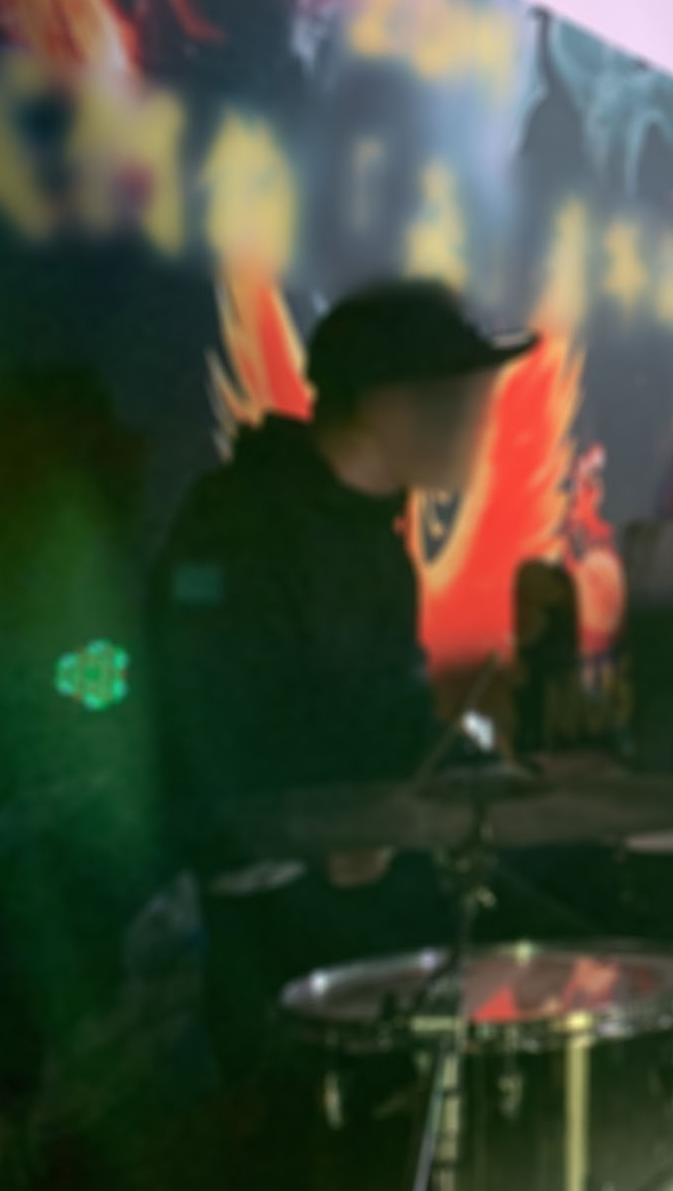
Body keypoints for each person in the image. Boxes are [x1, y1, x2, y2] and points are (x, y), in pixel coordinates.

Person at [147, 279, 533, 1077]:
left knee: (568, 924)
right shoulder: (236, 526)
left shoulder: (376, 544)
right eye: (457, 404)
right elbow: (201, 735)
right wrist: (334, 836)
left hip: (366, 876)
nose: (478, 428)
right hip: (271, 913)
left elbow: (388, 722)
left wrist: (496, 782)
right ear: (385, 405)